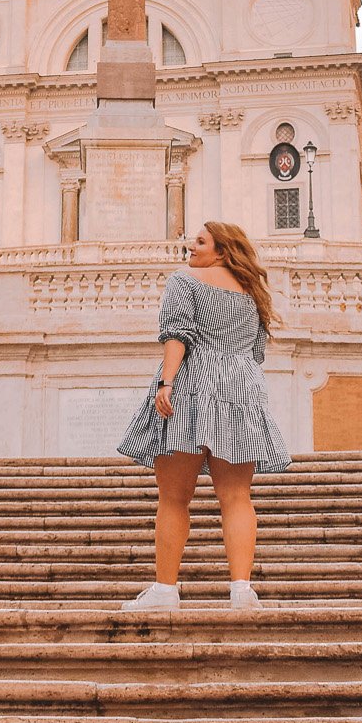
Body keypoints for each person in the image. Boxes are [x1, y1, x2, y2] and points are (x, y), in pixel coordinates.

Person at [116, 221, 291, 611]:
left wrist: (166, 382)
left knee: (174, 498)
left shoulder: (184, 282)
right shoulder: (253, 294)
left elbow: (178, 336)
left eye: (199, 241)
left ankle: (165, 592)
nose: (189, 246)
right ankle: (242, 591)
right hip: (241, 390)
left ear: (222, 250)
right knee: (236, 497)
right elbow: (255, 352)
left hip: (192, 386)